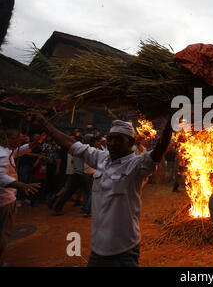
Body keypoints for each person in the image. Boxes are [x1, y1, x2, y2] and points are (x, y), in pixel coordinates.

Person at [29, 112, 173, 267]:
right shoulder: (101, 158)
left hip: (124, 250)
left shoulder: (137, 165)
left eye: (118, 139)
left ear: (130, 142)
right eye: (110, 138)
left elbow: (158, 152)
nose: (112, 143)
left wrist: (170, 124)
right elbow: (71, 144)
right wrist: (45, 124)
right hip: (97, 249)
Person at [0, 128, 40, 266]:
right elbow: (1, 177)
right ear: (10, 139)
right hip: (4, 201)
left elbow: (19, 151)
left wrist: (33, 144)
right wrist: (22, 185)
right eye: (19, 139)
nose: (20, 141)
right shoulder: (2, 154)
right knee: (3, 234)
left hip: (6, 199)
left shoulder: (6, 151)